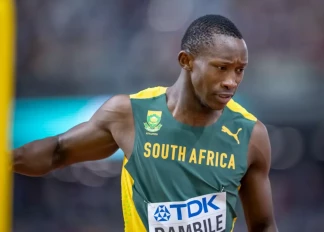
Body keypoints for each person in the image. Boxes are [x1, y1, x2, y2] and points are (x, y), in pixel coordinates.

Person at [13, 15, 278, 232]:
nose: (232, 81)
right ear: (186, 61)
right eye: (221, 68)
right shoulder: (130, 115)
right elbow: (58, 151)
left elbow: (264, 225)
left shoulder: (250, 135)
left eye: (239, 70)